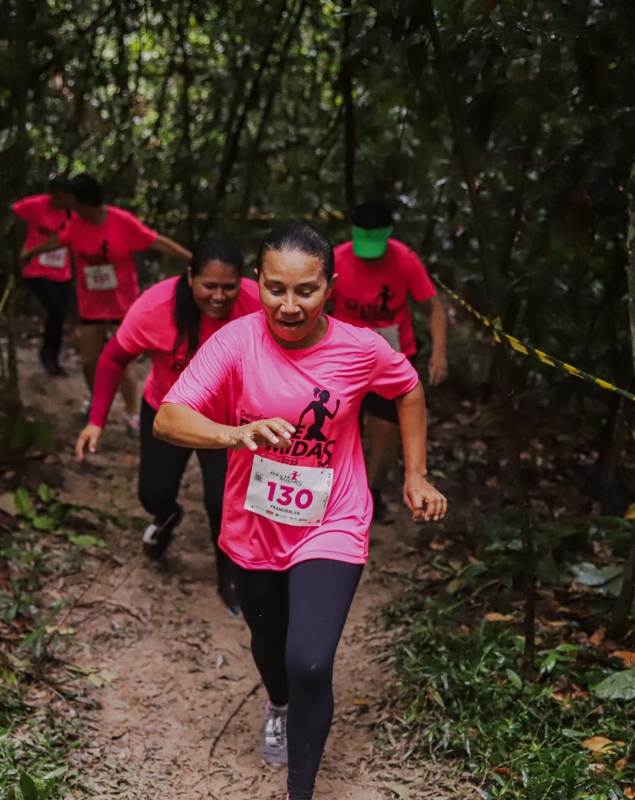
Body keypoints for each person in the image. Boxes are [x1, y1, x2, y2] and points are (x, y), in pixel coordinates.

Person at [154, 223, 447, 799]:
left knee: (309, 661)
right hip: (255, 521)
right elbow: (169, 417)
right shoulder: (235, 342)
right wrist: (234, 434)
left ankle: (300, 790)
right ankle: (280, 705)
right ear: (257, 283)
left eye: (306, 291)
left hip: (332, 518)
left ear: (330, 287)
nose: (289, 306)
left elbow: (408, 390)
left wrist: (415, 474)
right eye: (276, 289)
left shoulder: (361, 348)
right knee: (271, 647)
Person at [75, 235, 260, 611]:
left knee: (223, 502)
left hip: (228, 421)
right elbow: (113, 358)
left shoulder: (258, 304)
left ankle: (229, 576)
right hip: (168, 411)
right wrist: (97, 420)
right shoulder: (155, 306)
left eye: (229, 287)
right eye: (209, 286)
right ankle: (167, 516)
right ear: (190, 278)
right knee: (153, 493)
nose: (219, 296)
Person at [21, 173, 191, 434]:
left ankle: (132, 414)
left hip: (122, 304)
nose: (70, 208)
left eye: (73, 203)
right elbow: (61, 239)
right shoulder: (76, 224)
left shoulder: (122, 222)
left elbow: (155, 241)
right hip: (91, 304)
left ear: (85, 203)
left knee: (122, 362)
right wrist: (31, 252)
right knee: (89, 360)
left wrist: (192, 259)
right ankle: (96, 400)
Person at [330, 199, 449, 523]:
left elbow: (433, 309)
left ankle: (372, 493)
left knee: (386, 428)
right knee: (340, 425)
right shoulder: (337, 260)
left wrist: (439, 353)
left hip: (393, 357)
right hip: (345, 357)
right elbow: (315, 305)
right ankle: (338, 492)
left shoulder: (405, 261)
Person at [14, 175, 76, 376]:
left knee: (60, 314)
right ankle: (48, 356)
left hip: (62, 272)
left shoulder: (73, 213)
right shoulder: (35, 205)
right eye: (57, 195)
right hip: (36, 269)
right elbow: (12, 215)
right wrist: (19, 249)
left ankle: (52, 356)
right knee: (55, 308)